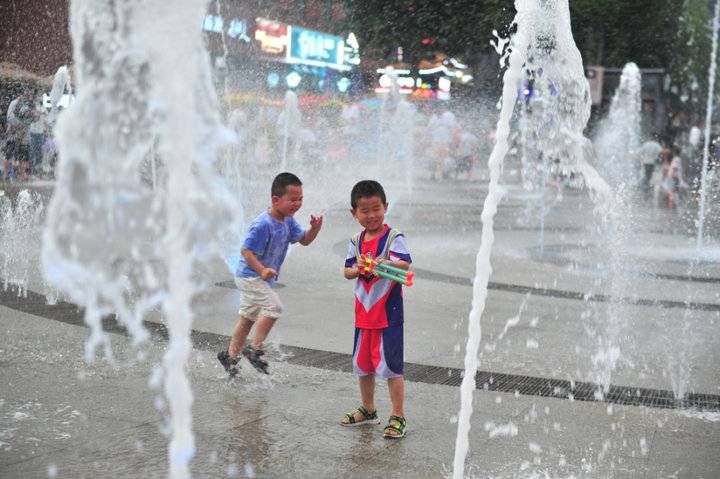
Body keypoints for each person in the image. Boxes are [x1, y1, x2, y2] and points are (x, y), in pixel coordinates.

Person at [217, 172, 323, 376]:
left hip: (254, 277)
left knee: (248, 318)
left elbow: (305, 240)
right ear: (276, 199)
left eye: (300, 199)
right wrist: (262, 270)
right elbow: (245, 251)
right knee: (274, 307)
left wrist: (314, 228)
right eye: (293, 199)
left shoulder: (288, 221)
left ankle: (230, 357)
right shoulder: (263, 224)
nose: (298, 204)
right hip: (250, 276)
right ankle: (254, 349)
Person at [341, 180, 412, 439]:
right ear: (354, 213)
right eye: (364, 210)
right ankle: (368, 408)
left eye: (376, 209)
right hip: (363, 315)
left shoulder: (394, 238)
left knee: (392, 367)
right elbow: (347, 271)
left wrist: (385, 263)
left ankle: (398, 415)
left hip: (388, 316)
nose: (371, 215)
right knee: (363, 365)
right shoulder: (356, 240)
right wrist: (358, 269)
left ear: (386, 207)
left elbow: (404, 265)